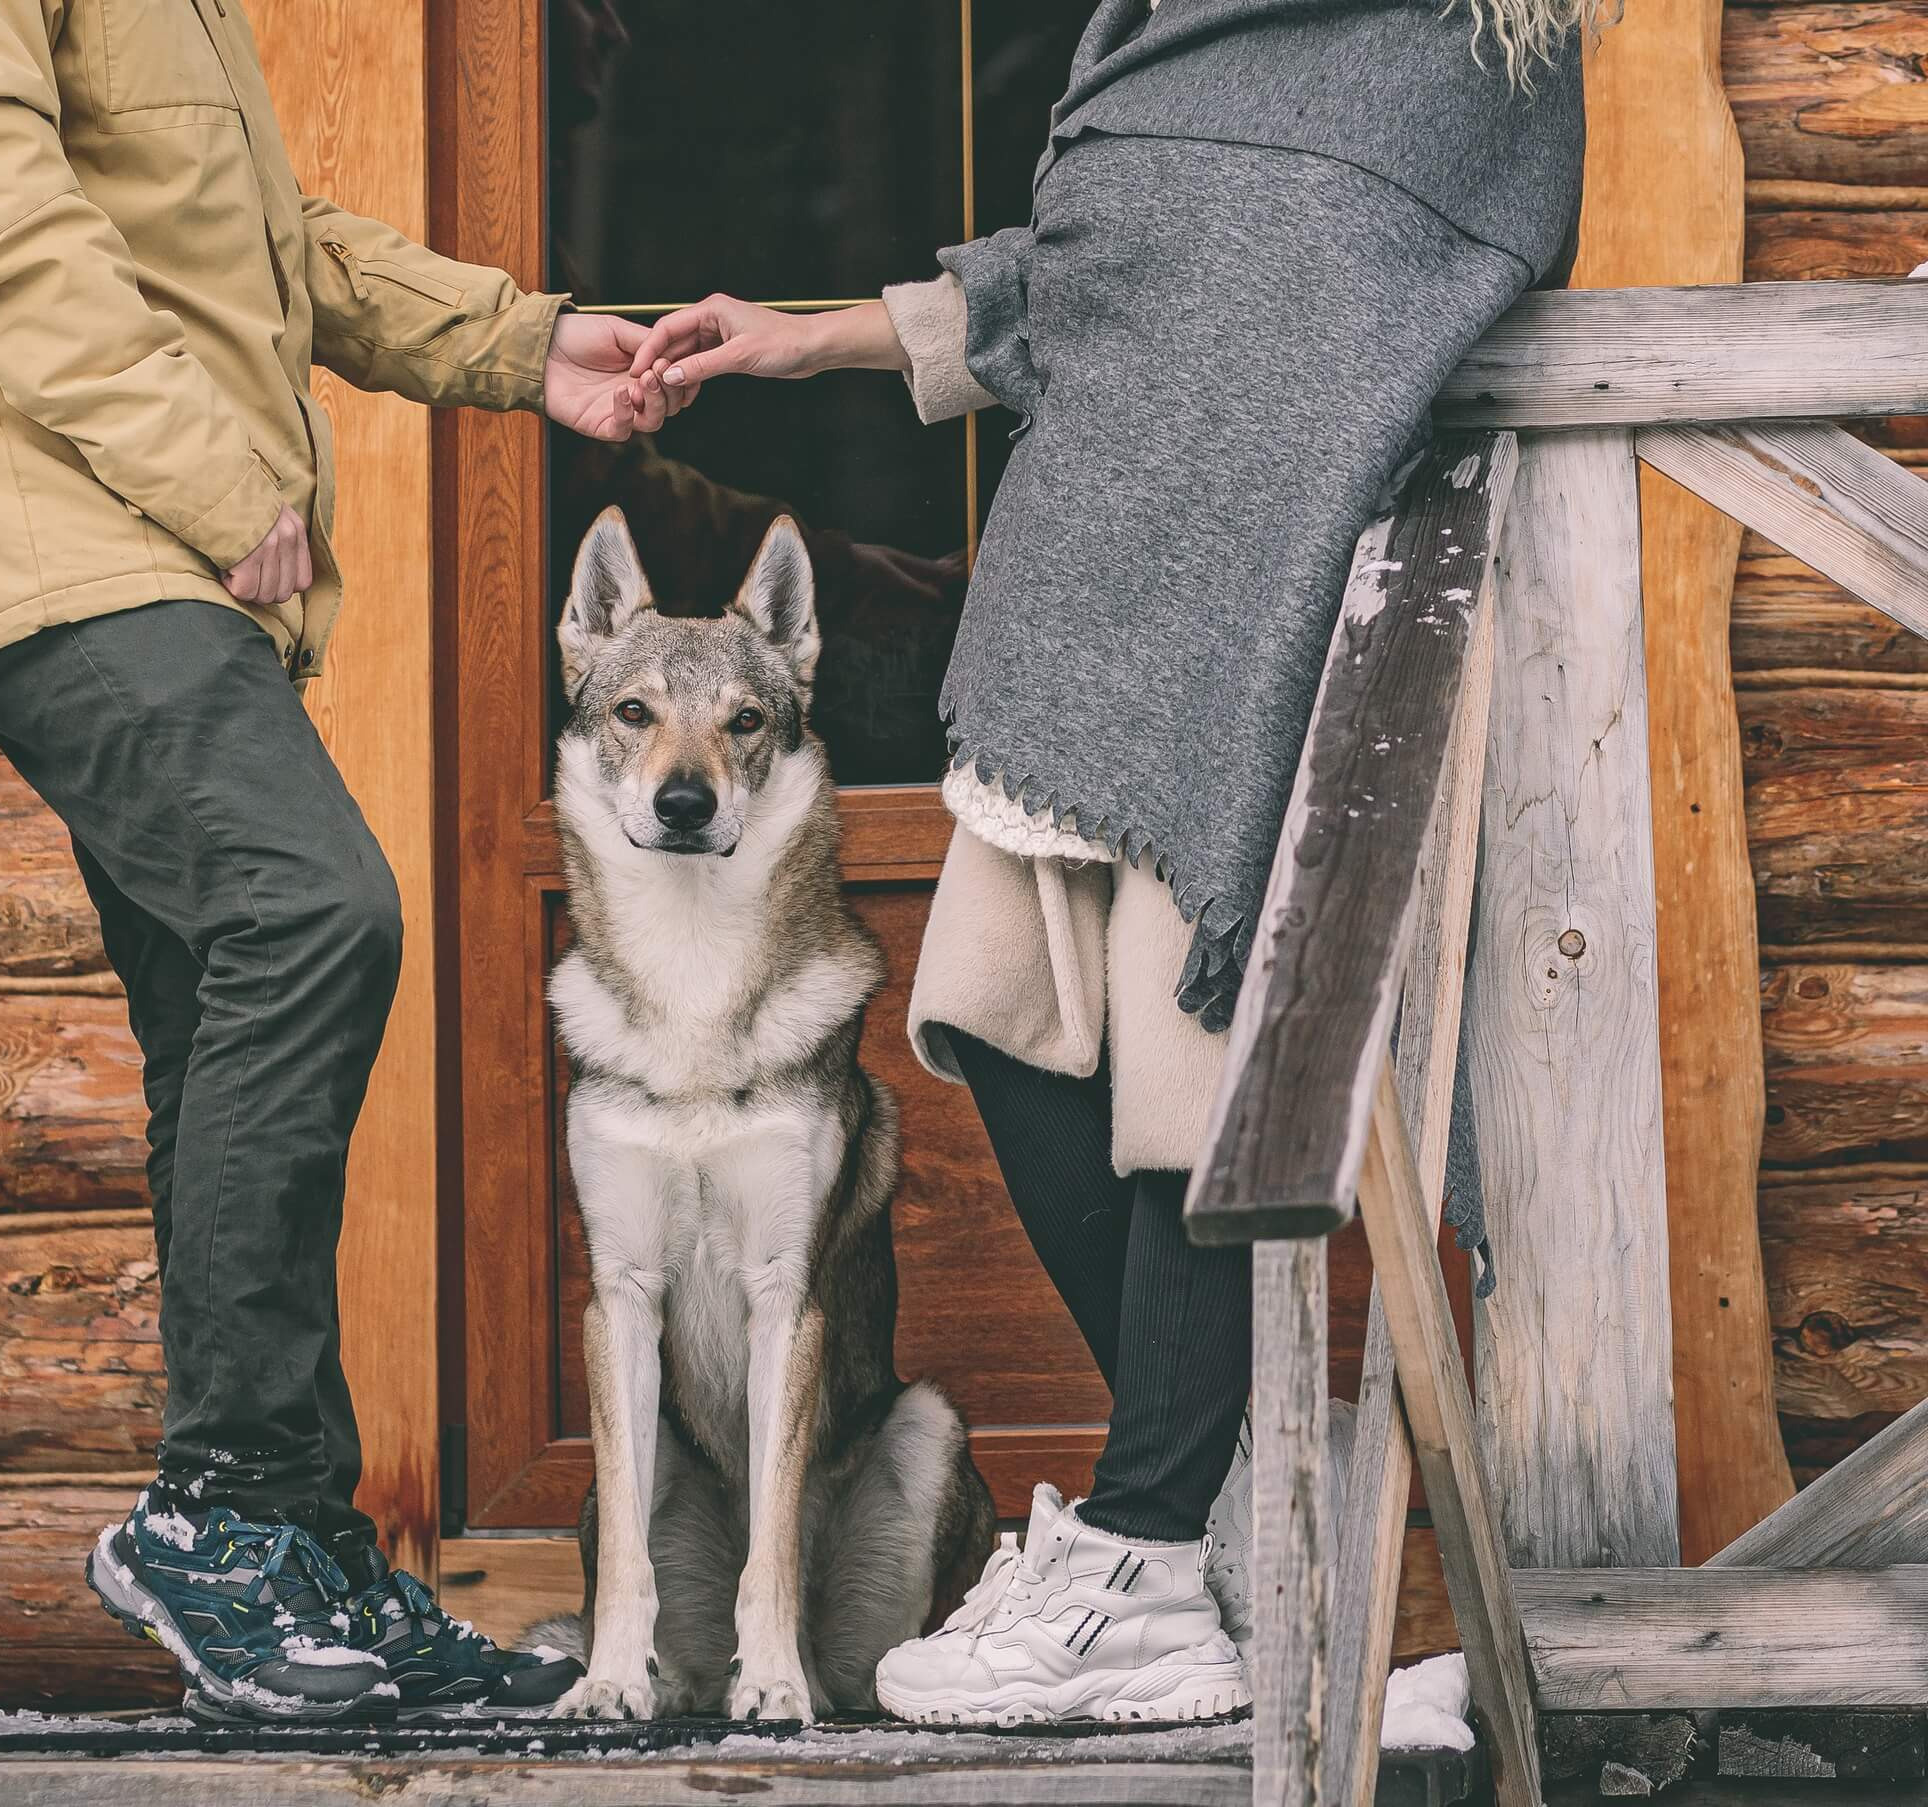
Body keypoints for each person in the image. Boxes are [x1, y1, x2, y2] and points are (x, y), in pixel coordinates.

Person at [630, 0, 1592, 1727]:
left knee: (1188, 1092)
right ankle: (1216, 1530)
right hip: (1077, 620)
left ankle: (1143, 1553)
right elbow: (1101, 274)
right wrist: (814, 341)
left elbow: (1360, 304)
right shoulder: (1168, 33)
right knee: (997, 1025)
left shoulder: (1454, 49)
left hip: (1259, 636)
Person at [0, 0, 683, 1724]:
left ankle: (294, 1545)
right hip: (59, 537)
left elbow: (256, 238)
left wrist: (518, 346)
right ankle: (229, 1514)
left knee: (221, 1004)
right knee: (309, 910)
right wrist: (210, 472)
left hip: (135, 542)